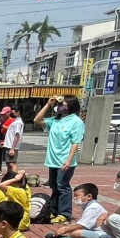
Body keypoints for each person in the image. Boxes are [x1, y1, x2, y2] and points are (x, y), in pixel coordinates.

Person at [34, 94, 84, 223]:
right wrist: (48, 104)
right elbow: (37, 120)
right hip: (53, 160)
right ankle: (54, 211)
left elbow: (75, 142)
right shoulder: (56, 119)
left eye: (63, 104)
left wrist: (68, 160)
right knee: (54, 186)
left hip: (65, 160)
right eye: (59, 104)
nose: (60, 106)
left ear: (71, 105)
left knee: (63, 186)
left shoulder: (76, 122)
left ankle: (65, 214)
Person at [45, 182, 112, 238]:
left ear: (89, 196)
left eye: (77, 196)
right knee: (72, 231)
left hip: (103, 236)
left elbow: (82, 226)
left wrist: (65, 229)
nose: (74, 198)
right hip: (94, 233)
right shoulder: (89, 206)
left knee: (76, 233)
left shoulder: (93, 207)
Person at [0, 105, 23, 170]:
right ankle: (10, 176)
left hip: (11, 146)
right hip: (9, 145)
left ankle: (14, 176)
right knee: (8, 163)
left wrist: (12, 148)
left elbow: (17, 135)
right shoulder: (15, 121)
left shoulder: (18, 123)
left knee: (12, 163)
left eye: (14, 112)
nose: (12, 114)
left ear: (18, 112)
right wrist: (5, 142)